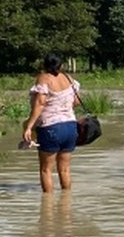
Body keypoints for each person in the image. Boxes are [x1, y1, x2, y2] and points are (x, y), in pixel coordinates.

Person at [22, 52, 80, 193]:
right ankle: (66, 205)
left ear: (44, 64)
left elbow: (40, 103)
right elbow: (76, 102)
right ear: (61, 65)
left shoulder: (43, 79)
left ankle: (47, 209)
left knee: (46, 170)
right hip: (71, 127)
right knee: (65, 169)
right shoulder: (68, 79)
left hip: (51, 128)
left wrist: (29, 127)